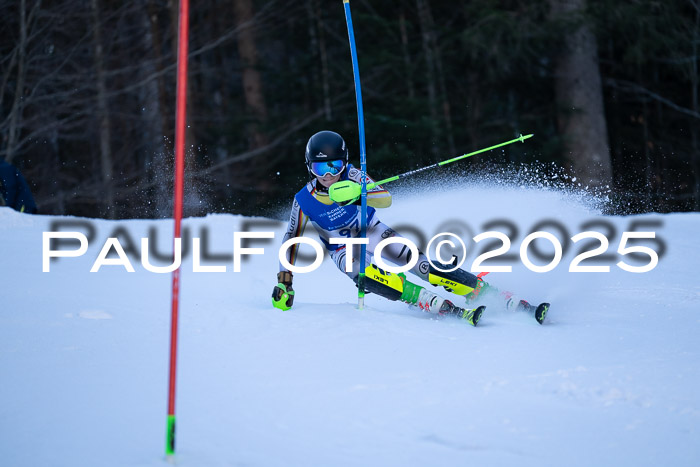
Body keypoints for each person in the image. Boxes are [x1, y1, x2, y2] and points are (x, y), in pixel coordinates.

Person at [272, 130, 547, 325]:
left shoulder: (354, 175)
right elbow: (291, 240)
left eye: (335, 165)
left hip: (373, 232)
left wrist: (358, 192)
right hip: (343, 248)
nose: (330, 175)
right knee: (368, 275)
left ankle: (486, 293)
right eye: (321, 168)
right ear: (310, 168)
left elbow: (386, 199)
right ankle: (425, 299)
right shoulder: (303, 200)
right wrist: (285, 283)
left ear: (345, 162)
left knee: (422, 264)